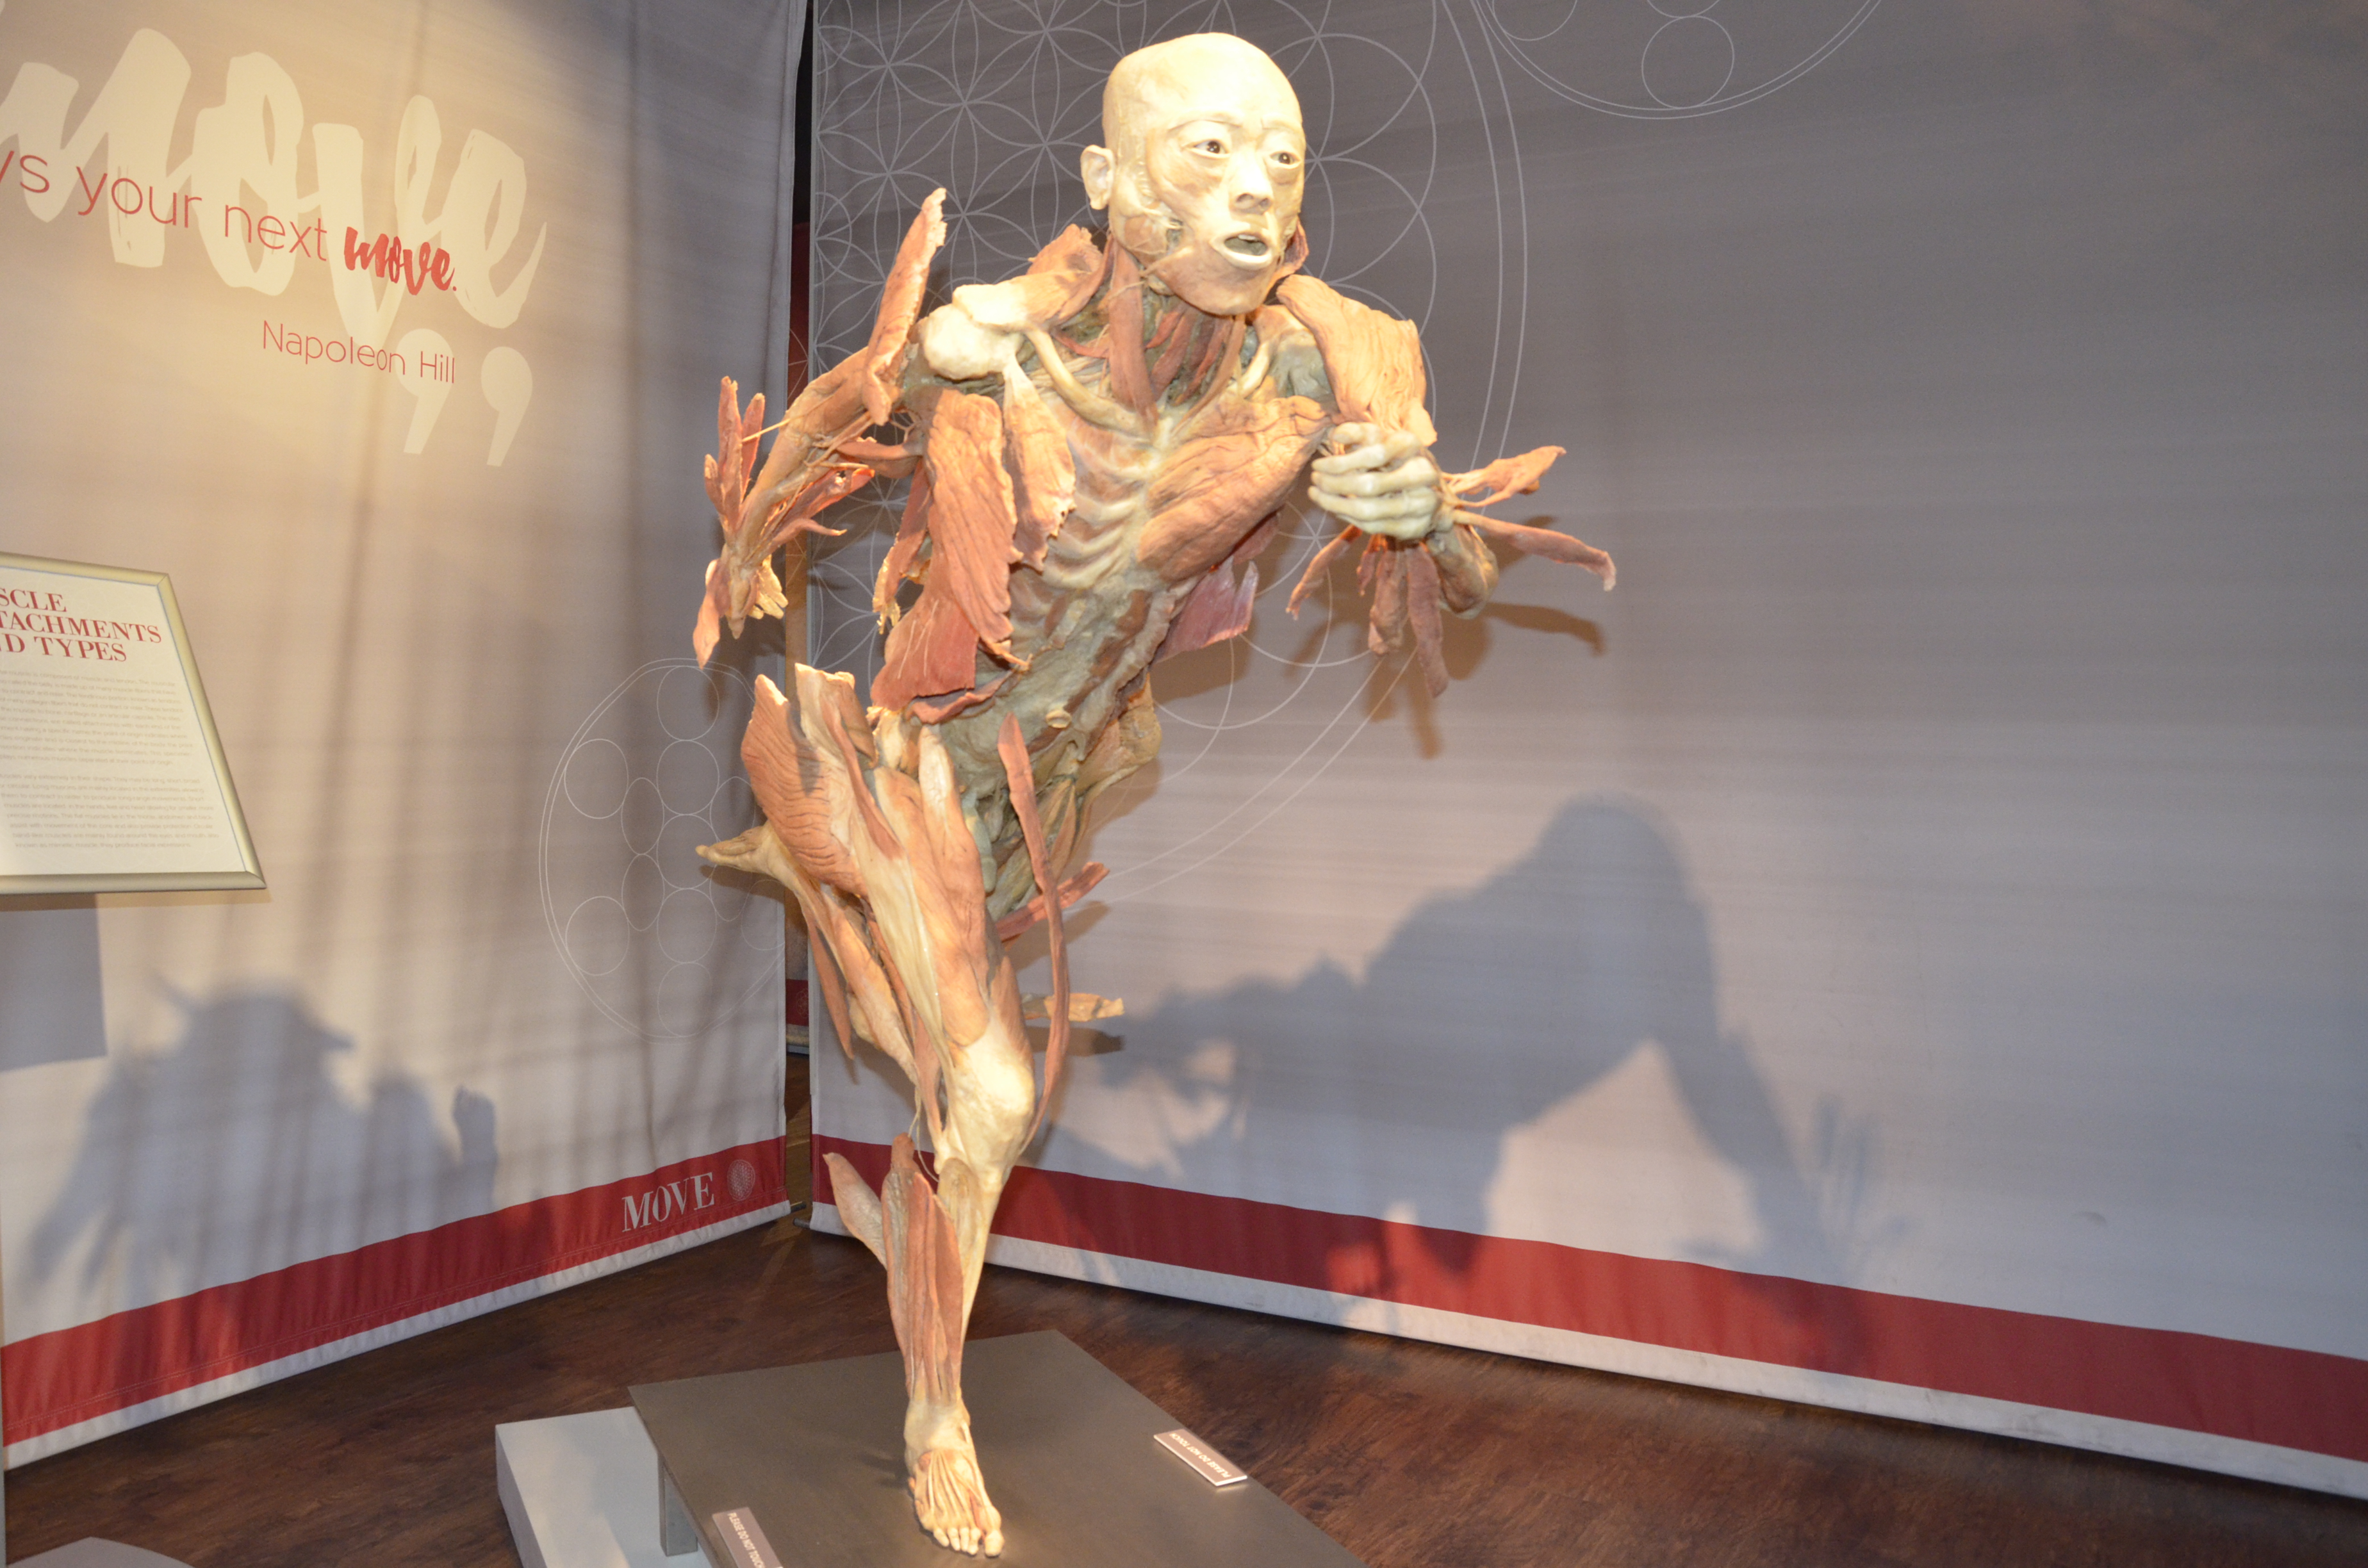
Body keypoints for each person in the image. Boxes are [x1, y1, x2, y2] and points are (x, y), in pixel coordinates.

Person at [691, 31, 1609, 1558]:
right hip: (926, 766)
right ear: (1111, 182)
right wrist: (858, 424)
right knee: (991, 1096)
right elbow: (810, 451)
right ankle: (934, 1417)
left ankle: (923, 1248)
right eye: (1210, 152)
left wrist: (1420, 520)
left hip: (1057, 785)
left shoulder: (1320, 367)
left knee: (971, 1098)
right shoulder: (1001, 340)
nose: (1255, 190)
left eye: (1283, 159)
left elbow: (1452, 558)